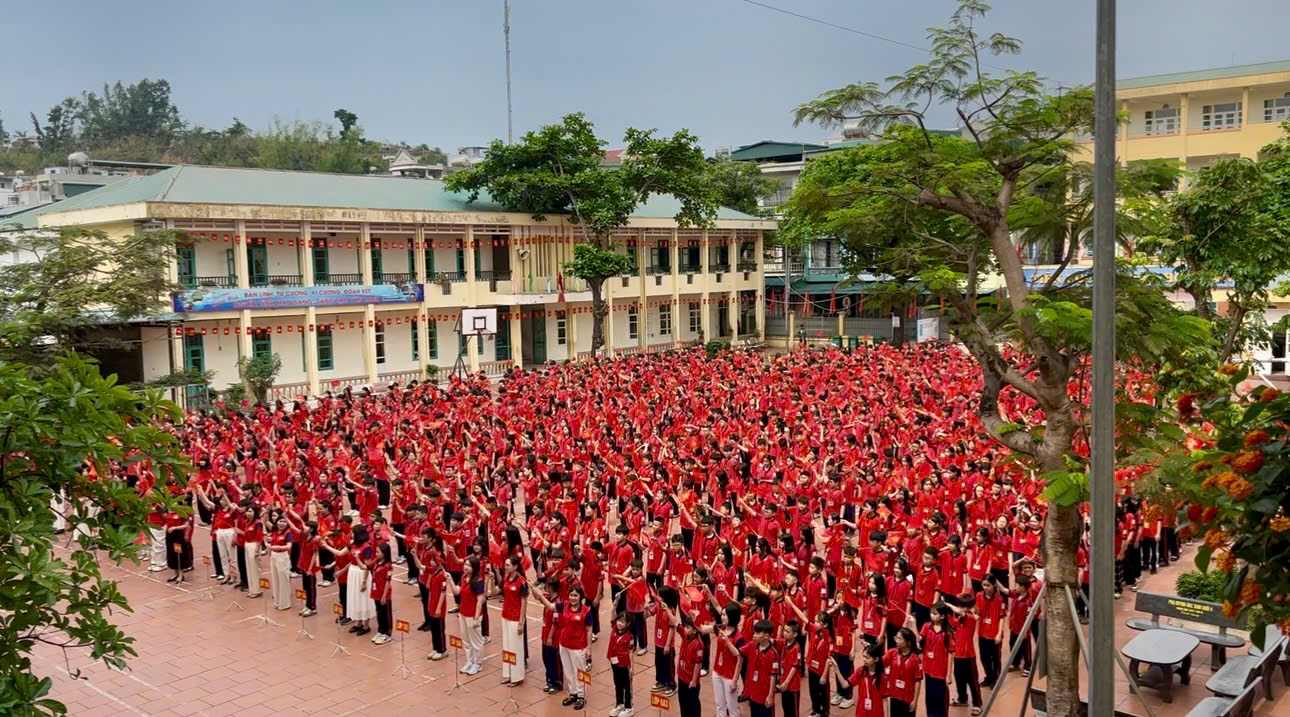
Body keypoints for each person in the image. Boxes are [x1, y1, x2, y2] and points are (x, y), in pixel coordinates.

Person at [451, 557, 486, 674]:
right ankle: (469, 661)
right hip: (463, 613)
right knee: (466, 640)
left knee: (476, 641)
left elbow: (480, 600)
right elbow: (457, 591)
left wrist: (476, 618)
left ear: (474, 568)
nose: (466, 567)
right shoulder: (463, 577)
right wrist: (449, 579)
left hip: (472, 616)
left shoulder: (478, 581)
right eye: (465, 564)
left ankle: (478, 664)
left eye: (469, 565)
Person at [741, 620, 780, 717]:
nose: (754, 635)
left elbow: (773, 676)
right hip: (753, 694)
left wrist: (770, 696)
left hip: (765, 696)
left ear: (766, 636)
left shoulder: (773, 654)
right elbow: (738, 652)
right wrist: (727, 641)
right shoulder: (752, 645)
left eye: (757, 633)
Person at [500, 555, 528, 685]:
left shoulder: (521, 582)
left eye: (507, 565)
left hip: (515, 618)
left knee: (516, 648)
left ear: (515, 566)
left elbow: (524, 603)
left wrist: (521, 622)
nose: (505, 567)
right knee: (507, 646)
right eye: (505, 564)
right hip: (505, 616)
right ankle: (507, 673)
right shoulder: (506, 578)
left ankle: (517, 677)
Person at [884, 627, 922, 717]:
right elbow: (879, 664)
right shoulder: (892, 653)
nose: (896, 640)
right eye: (896, 637)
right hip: (894, 696)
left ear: (908, 642)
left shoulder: (916, 659)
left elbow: (918, 681)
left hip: (908, 698)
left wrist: (915, 701)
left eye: (899, 638)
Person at [607, 612, 636, 717]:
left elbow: (631, 652)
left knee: (627, 686)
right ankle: (620, 704)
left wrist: (632, 667)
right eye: (619, 621)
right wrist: (615, 605)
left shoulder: (630, 637)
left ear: (628, 624)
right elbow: (612, 616)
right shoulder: (614, 628)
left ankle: (629, 707)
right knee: (617, 684)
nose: (619, 623)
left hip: (624, 664)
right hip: (614, 663)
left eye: (623, 622)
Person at [677, 619, 706, 717]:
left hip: (690, 682)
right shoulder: (685, 635)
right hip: (681, 677)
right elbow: (675, 623)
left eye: (688, 627)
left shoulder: (698, 645)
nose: (685, 629)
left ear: (695, 630)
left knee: (692, 706)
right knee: (683, 703)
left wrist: (694, 681)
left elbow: (698, 664)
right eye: (685, 626)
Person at [267, 517, 293, 611]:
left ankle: (285, 603)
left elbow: (289, 546)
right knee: (275, 579)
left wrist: (277, 547)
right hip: (274, 556)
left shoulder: (288, 533)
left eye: (284, 522)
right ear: (276, 522)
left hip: (282, 557)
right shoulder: (274, 532)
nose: (282, 523)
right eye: (280, 521)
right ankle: (277, 601)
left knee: (283, 580)